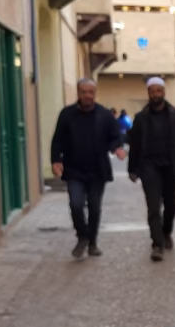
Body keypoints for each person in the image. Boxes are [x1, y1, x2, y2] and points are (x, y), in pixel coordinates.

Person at [49, 78, 126, 258]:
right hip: (74, 168)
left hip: (97, 169)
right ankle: (82, 235)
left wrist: (117, 148)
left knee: (94, 206)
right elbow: (57, 139)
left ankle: (92, 243)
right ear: (78, 92)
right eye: (84, 92)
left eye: (91, 92)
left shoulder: (105, 115)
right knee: (75, 204)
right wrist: (55, 160)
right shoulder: (66, 114)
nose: (87, 95)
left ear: (95, 93)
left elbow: (115, 137)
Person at [127, 77, 175, 261]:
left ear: (163, 92)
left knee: (171, 205)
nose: (155, 94)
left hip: (170, 166)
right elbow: (135, 145)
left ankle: (166, 233)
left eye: (158, 91)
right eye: (152, 91)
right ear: (148, 93)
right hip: (149, 168)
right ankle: (157, 244)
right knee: (154, 207)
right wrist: (132, 169)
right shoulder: (141, 118)